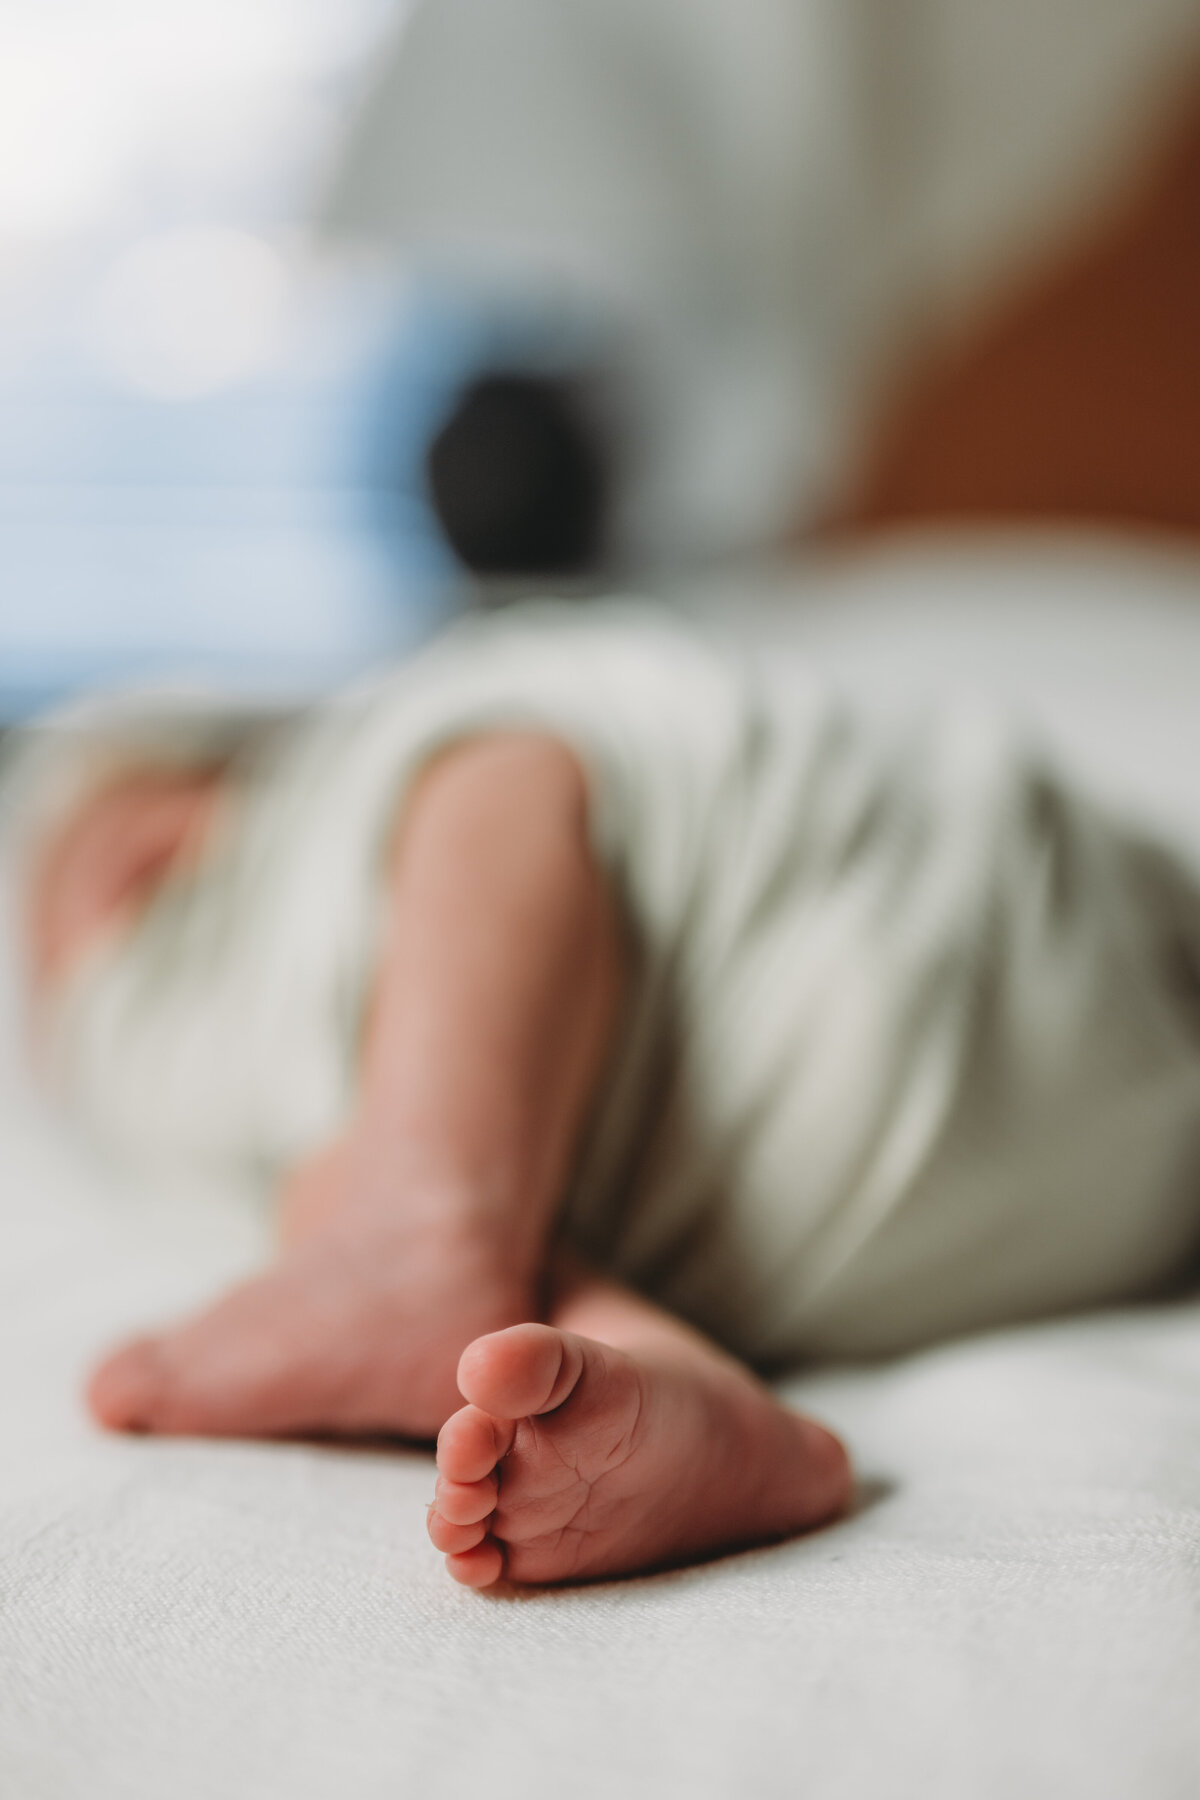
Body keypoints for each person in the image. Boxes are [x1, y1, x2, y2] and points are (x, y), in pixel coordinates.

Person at [16, 602, 1200, 1587]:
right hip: (1131, 1145)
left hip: (894, 908)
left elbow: (517, 764)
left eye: (115, 840)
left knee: (474, 808)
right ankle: (636, 1361)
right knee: (372, 1160)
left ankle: (419, 1223)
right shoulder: (198, 1058)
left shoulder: (359, 777)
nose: (101, 911)